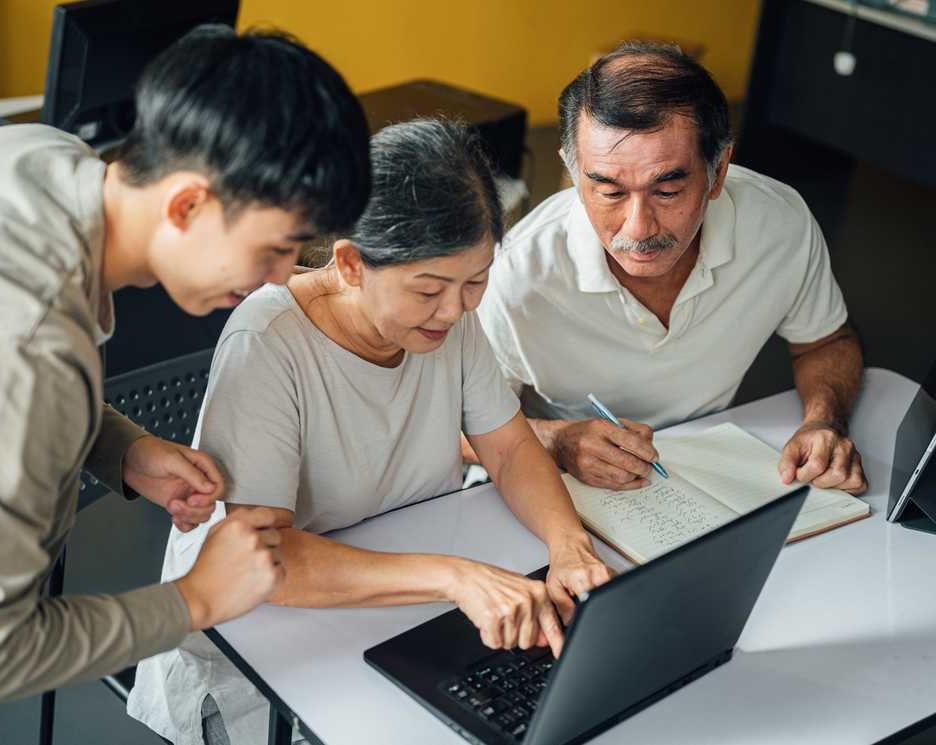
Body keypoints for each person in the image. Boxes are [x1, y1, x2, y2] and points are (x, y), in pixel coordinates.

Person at [0, 26, 371, 745]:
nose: (280, 275)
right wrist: (194, 599)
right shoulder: (23, 345)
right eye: (273, 248)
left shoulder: (38, 157)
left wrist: (119, 446)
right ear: (186, 205)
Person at [128, 118, 612, 745]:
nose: (457, 309)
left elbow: (512, 446)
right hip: (256, 641)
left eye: (475, 281)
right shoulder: (270, 341)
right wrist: (456, 575)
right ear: (352, 264)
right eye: (429, 289)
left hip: (395, 604)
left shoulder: (447, 318)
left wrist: (568, 544)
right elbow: (265, 555)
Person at [472, 41, 867, 495]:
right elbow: (454, 426)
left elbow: (827, 341)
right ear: (575, 170)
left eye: (667, 191)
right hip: (561, 481)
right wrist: (557, 440)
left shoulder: (779, 222)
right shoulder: (517, 272)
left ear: (718, 171)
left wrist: (823, 420)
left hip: (709, 468)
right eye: (609, 191)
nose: (638, 229)